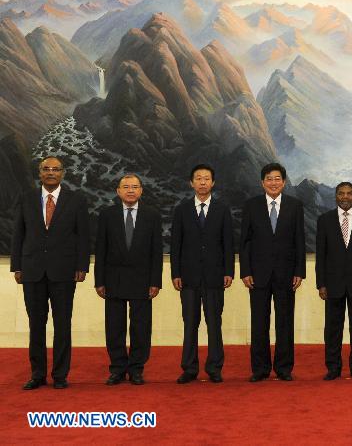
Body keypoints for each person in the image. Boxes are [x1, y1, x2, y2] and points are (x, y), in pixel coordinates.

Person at [11, 156, 90, 390]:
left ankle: (60, 375)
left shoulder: (76, 200)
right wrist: (17, 265)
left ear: (63, 173)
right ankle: (37, 374)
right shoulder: (26, 199)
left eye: (56, 169)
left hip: (64, 272)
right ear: (40, 172)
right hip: (32, 271)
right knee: (36, 324)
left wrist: (82, 266)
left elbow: (83, 237)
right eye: (46, 169)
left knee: (63, 324)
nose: (51, 173)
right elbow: (18, 234)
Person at [94, 174, 163, 386]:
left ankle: (136, 369)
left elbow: (156, 252)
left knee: (141, 327)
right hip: (113, 279)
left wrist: (155, 281)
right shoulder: (107, 215)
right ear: (118, 191)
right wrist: (99, 281)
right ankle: (117, 369)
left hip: (143, 280)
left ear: (141, 190)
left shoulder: (152, 215)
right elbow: (101, 250)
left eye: (134, 187)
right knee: (115, 327)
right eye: (126, 187)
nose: (130, 190)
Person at [240, 163, 305, 382]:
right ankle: (260, 369)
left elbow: (299, 241)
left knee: (285, 321)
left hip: (287, 273)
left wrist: (299, 271)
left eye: (277, 179)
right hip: (258, 274)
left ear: (284, 182)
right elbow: (245, 241)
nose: (273, 182)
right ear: (262, 182)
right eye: (269, 178)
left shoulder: (295, 206)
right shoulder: (251, 205)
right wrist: (245, 271)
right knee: (259, 322)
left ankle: (284, 368)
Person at [170, 164, 234, 384]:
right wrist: (175, 273)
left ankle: (215, 367)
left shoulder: (222, 209)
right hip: (188, 277)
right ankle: (189, 368)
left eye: (207, 179)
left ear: (213, 183)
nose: (203, 182)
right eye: (198, 178)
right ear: (191, 183)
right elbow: (175, 244)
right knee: (190, 323)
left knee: (214, 322)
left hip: (216, 276)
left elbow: (228, 243)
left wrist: (228, 271)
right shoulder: (182, 209)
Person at [316, 182, 352, 381]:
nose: (345, 197)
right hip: (332, 284)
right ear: (336, 196)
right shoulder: (324, 220)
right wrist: (321, 284)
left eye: (349, 193)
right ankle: (333, 368)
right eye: (341, 193)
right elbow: (321, 255)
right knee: (332, 329)